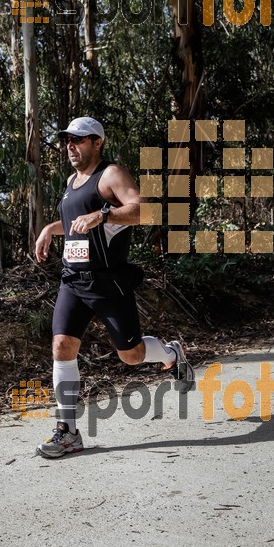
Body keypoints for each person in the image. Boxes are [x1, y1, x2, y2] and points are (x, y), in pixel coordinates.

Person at [35, 116, 195, 458]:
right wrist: (51, 228)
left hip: (108, 283)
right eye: (67, 140)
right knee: (62, 346)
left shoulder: (110, 175)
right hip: (73, 281)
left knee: (132, 355)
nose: (70, 146)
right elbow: (76, 223)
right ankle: (68, 432)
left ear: (97, 142)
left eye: (78, 139)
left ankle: (171, 354)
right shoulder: (71, 181)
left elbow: (146, 210)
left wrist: (105, 214)